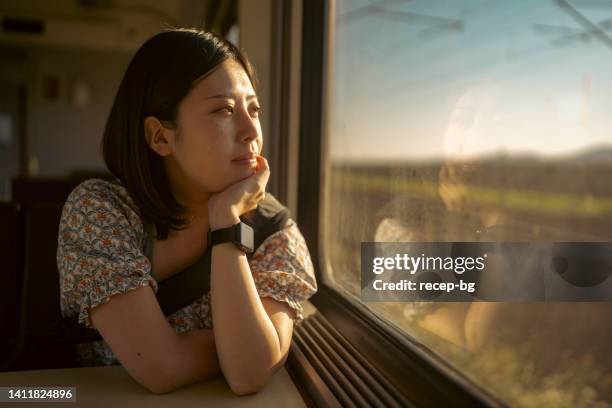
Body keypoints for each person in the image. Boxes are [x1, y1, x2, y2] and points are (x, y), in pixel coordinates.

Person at [56, 28, 317, 395]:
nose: (250, 131)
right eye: (224, 110)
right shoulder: (101, 211)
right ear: (160, 137)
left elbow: (248, 374)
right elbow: (163, 369)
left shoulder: (273, 229)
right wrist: (237, 346)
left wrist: (226, 220)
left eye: (253, 109)